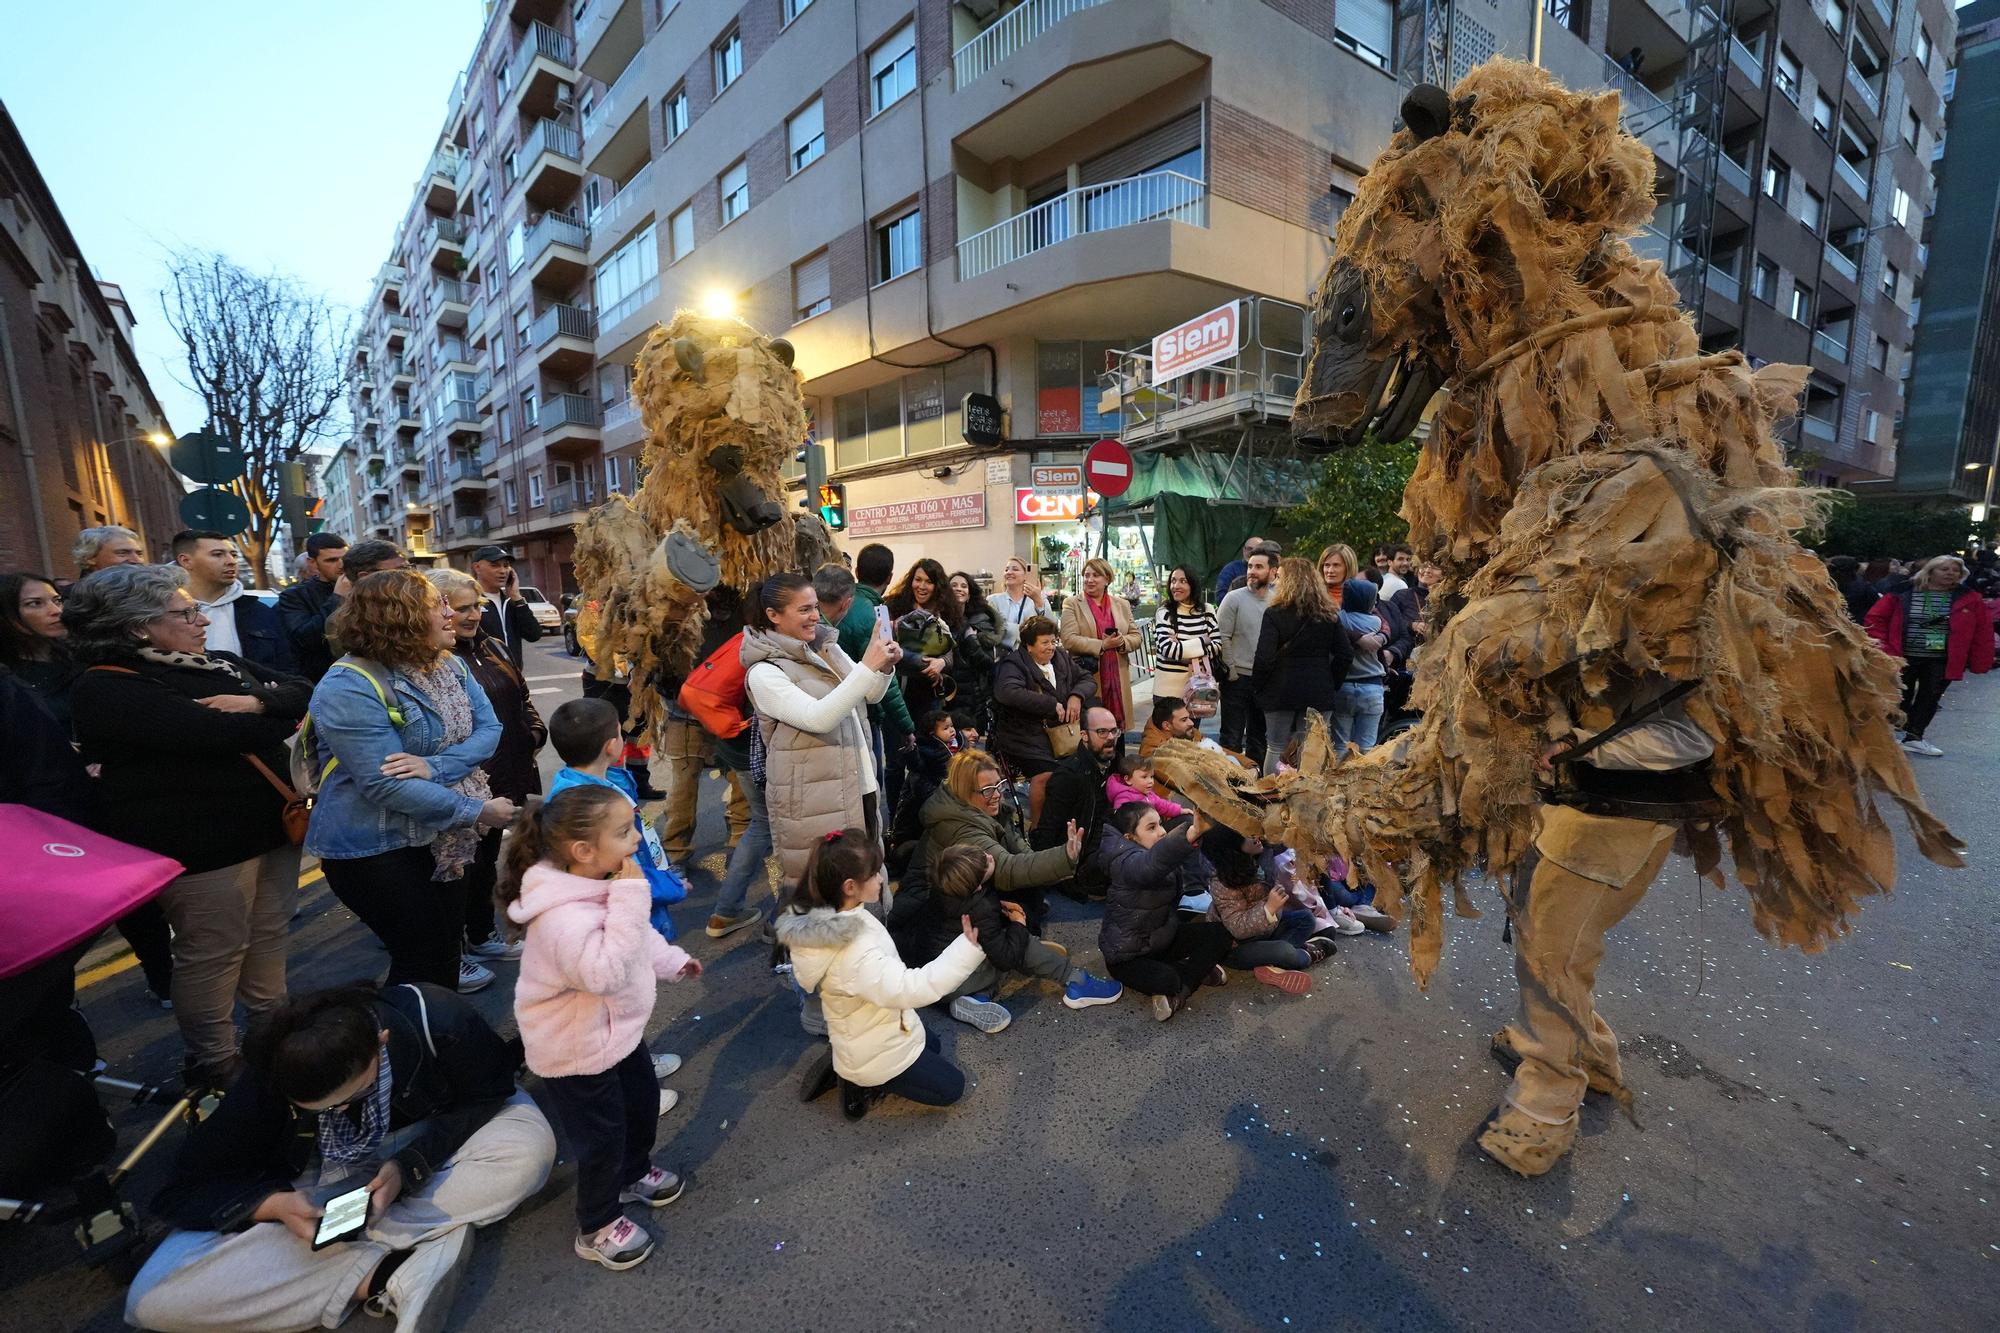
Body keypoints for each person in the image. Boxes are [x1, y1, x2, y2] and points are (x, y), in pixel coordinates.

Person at [126, 983, 557, 1333]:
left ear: (380, 1043)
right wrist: (270, 1205)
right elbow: (184, 1187)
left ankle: (341, 1260)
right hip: (323, 1176)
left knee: (527, 1153)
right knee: (154, 1298)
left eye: (355, 1094)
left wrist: (409, 1165)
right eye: (320, 1110)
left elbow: (488, 1092)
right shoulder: (270, 1075)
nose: (342, 1111)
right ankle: (396, 1268)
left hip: (436, 1136)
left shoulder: (435, 1016)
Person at [65, 565, 312, 1088]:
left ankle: (272, 1031)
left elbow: (304, 691)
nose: (201, 620)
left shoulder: (218, 662)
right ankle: (216, 1059)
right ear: (137, 626)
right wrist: (271, 713)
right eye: (185, 613)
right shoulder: (105, 685)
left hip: (271, 824)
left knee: (268, 934)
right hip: (201, 843)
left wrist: (257, 701)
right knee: (213, 952)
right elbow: (216, 734)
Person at [498, 786, 700, 1271]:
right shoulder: (562, 918)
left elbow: (635, 938)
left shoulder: (598, 881)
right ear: (584, 850)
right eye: (624, 831)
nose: (637, 839)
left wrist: (671, 961)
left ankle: (632, 1174)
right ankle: (597, 1223)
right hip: (574, 1048)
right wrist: (631, 896)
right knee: (601, 1137)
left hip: (612, 1034)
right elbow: (604, 972)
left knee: (641, 1103)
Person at [305, 570, 514, 992]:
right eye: (438, 604)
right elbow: (384, 784)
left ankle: (431, 1028)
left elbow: (489, 729)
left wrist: (434, 768)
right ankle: (401, 1033)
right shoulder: (348, 684)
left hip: (445, 840)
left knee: (443, 958)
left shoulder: (449, 664)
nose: (450, 614)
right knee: (422, 963)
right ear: (400, 619)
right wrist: (476, 810)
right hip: (380, 848)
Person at [778, 829, 984, 1120]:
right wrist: (967, 948)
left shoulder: (837, 914)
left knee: (932, 1044)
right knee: (953, 1088)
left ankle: (845, 1062)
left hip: (869, 1027)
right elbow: (912, 988)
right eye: (874, 873)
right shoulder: (855, 953)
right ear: (850, 886)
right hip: (872, 1050)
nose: (881, 878)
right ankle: (859, 1080)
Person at [742, 572, 898, 887]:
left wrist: (883, 666)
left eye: (815, 607)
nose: (815, 616)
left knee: (864, 878)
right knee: (822, 889)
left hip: (857, 782)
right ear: (773, 615)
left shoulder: (823, 645)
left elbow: (870, 693)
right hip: (815, 800)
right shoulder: (763, 672)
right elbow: (818, 718)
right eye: (804, 610)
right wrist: (868, 665)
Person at [428, 568, 546, 976]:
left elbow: (522, 697)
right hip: (466, 783)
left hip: (510, 772)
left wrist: (533, 732)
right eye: (462, 608)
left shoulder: (493, 645)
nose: (473, 615)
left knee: (486, 862)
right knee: (457, 868)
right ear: (440, 609)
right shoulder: (435, 658)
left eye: (476, 605)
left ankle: (480, 934)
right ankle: (451, 953)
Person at [922, 840, 1121, 1032]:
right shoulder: (982, 908)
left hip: (934, 978)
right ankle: (1076, 981)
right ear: (977, 887)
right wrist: (1019, 924)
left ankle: (977, 998)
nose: (989, 857)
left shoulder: (944, 889)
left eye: (983, 854)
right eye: (985, 864)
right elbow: (1005, 959)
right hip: (959, 981)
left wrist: (998, 907)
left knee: (1000, 946)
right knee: (1022, 945)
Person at [898, 748, 1084, 940]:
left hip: (954, 894)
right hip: (927, 910)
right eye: (987, 789)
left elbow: (1023, 854)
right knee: (1014, 899)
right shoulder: (959, 826)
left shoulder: (985, 809)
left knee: (1029, 887)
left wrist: (1059, 863)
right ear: (965, 791)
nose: (997, 795)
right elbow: (1006, 870)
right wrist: (1063, 857)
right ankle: (1017, 943)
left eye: (999, 785)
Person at [546, 698, 691, 944]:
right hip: (625, 924)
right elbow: (621, 877)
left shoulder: (597, 784)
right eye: (620, 732)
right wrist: (673, 886)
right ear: (611, 746)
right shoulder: (589, 807)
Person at [1096, 803, 1230, 1021]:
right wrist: (1190, 834)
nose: (1161, 832)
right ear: (1130, 838)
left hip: (1161, 940)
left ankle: (1181, 989)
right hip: (1127, 957)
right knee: (1167, 980)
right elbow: (1147, 867)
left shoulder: (1153, 854)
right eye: (1151, 827)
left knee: (1220, 933)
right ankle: (1191, 974)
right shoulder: (1125, 863)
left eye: (1160, 824)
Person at [1863, 553, 1995, 756]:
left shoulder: (1969, 598)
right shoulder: (1903, 592)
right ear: (1930, 571)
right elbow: (1876, 619)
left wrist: (1981, 661)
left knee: (1930, 697)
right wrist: (1884, 648)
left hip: (1941, 658)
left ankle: (1914, 736)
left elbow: (1982, 631)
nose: (1951, 573)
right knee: (1899, 695)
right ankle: (1893, 733)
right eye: (1945, 569)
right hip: (1903, 655)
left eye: (1956, 570)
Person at [657, 586, 753, 862]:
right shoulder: (677, 609)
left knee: (728, 779)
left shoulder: (676, 606)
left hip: (710, 710)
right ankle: (681, 850)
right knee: (697, 783)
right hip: (707, 711)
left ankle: (731, 843)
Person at [990, 614, 1096, 824]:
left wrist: (1076, 696)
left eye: (1053, 641)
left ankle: (1075, 821)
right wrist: (1050, 704)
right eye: (1045, 642)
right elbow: (1007, 692)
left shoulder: (1061, 658)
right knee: (1047, 774)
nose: (1051, 647)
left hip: (1062, 734)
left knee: (1088, 765)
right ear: (1029, 646)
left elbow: (1086, 679)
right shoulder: (1013, 664)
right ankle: (1039, 828)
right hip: (1024, 736)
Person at [835, 543, 917, 814]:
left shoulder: (844, 603)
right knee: (870, 787)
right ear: (890, 577)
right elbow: (886, 677)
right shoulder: (876, 615)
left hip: (837, 705)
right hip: (866, 711)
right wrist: (906, 726)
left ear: (857, 571)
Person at [1252, 557, 1352, 774]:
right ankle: (1307, 792)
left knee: (1275, 746)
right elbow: (1345, 654)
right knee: (1311, 749)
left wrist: (1258, 686)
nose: (1275, 582)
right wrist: (1331, 683)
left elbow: (1263, 657)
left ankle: (1271, 791)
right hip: (1318, 689)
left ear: (1289, 581)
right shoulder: (1328, 614)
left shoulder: (1274, 613)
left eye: (1279, 577)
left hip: (1280, 689)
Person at [1201, 828, 1330, 991]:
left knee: (1306, 918)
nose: (1256, 838)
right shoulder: (1222, 882)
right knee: (1285, 952)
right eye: (1247, 836)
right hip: (1236, 946)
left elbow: (1282, 837)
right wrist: (1268, 908)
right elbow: (1237, 927)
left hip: (1267, 929)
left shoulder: (1260, 855)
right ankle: (1305, 955)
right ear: (1231, 848)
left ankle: (1271, 965)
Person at [1031, 704, 1123, 901]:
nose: (1110, 737)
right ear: (1084, 735)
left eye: (1114, 731)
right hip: (1080, 860)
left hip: (1106, 839)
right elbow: (1049, 827)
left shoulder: (1114, 762)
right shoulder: (1069, 775)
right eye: (1102, 732)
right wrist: (1044, 873)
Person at [173, 530, 296, 674]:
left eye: (234, 555)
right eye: (217, 554)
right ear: (186, 561)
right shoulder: (161, 613)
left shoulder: (259, 612)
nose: (231, 561)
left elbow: (287, 668)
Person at [1213, 542, 1278, 760]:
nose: (1252, 571)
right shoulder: (1233, 598)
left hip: (1266, 680)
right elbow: (1222, 636)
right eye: (1250, 566)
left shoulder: (1279, 600)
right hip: (1236, 680)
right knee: (1231, 739)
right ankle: (1229, 778)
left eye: (1259, 567)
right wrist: (1231, 671)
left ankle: (1256, 777)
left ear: (1273, 572)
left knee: (1259, 738)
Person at [1060, 557, 1141, 731]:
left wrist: (1122, 642)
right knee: (1092, 730)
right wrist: (1102, 645)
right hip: (1088, 677)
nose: (1089, 579)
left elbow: (1136, 636)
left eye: (1095, 575)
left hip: (1118, 678)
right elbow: (1068, 638)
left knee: (1117, 732)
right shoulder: (1072, 604)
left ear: (1107, 579)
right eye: (1086, 575)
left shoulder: (1122, 604)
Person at [885, 556, 964, 723]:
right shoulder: (894, 606)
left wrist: (942, 662)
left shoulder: (948, 613)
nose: (921, 586)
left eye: (928, 582)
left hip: (930, 693)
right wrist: (926, 663)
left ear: (937, 586)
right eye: (918, 580)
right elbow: (888, 647)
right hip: (898, 688)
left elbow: (954, 651)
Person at [0, 570, 80, 731]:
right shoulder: (7, 676)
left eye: (57, 600)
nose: (56, 610)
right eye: (35, 603)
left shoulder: (81, 653)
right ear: (7, 614)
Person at [886, 709, 958, 877]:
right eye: (946, 728)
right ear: (932, 733)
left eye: (952, 726)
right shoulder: (928, 753)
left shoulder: (951, 747)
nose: (952, 730)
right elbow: (923, 781)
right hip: (917, 823)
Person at [276, 533, 347, 681]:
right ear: (312, 562)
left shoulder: (362, 586)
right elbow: (306, 638)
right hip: (322, 678)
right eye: (331, 560)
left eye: (345, 558)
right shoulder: (294, 596)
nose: (341, 565)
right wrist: (337, 598)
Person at [1329, 578, 1389, 750]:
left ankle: (1338, 768)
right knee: (1367, 746)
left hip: (1344, 687)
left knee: (1340, 745)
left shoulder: (1340, 619)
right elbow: (1386, 628)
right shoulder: (1377, 622)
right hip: (1372, 687)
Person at [468, 544, 543, 666]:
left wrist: (517, 598)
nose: (502, 571)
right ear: (477, 567)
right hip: (483, 674)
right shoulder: (470, 602)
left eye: (506, 565)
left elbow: (533, 635)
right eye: (495, 565)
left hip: (513, 674)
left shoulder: (511, 602)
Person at [1150, 565, 1216, 703]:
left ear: (1193, 584)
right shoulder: (1164, 612)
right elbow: (1167, 649)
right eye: (1173, 581)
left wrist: (1181, 648)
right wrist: (1203, 641)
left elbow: (1217, 646)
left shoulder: (1207, 610)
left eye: (1183, 581)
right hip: (1167, 692)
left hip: (1199, 688)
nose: (1176, 586)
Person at [948, 570, 1003, 728]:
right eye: (954, 585)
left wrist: (971, 640)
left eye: (963, 586)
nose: (959, 589)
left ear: (969, 594)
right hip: (947, 694)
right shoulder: (938, 619)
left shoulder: (981, 622)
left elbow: (987, 664)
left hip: (973, 696)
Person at [989, 556, 1051, 650]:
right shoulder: (993, 600)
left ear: (1026, 575)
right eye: (1006, 570)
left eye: (1015, 569)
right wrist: (1028, 632)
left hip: (1032, 655)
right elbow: (994, 629)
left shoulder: (1039, 598)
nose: (1009, 572)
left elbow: (1051, 627)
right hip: (1004, 655)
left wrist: (1038, 602)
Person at [1107, 754, 1186, 821]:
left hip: (1152, 830)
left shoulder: (1149, 794)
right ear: (1127, 780)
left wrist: (1180, 810)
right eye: (1144, 777)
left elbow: (1163, 805)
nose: (1151, 781)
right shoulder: (1124, 798)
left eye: (1151, 777)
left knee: (1186, 818)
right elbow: (1122, 821)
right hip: (1138, 833)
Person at [70, 524, 145, 584]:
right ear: (90, 557)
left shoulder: (149, 593)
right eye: (122, 553)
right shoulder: (70, 596)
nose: (137, 560)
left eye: (139, 554)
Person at [1213, 535, 1266, 604]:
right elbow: (1220, 598)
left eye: (1257, 550)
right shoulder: (1231, 569)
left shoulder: (1270, 569)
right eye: (1249, 549)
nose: (1252, 552)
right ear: (1244, 550)